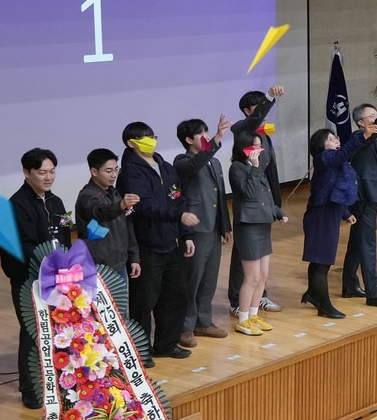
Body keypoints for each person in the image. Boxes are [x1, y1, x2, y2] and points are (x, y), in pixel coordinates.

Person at [119, 122, 198, 361]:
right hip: (148, 244)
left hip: (171, 241)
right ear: (131, 143)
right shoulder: (131, 172)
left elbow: (177, 199)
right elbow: (145, 206)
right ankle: (141, 350)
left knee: (175, 296)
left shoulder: (164, 165)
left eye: (153, 136)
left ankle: (166, 343)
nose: (151, 141)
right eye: (145, 138)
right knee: (144, 301)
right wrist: (177, 215)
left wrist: (185, 234)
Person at [2, 147, 70, 407]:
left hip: (57, 280)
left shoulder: (56, 201)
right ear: (26, 172)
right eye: (42, 172)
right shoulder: (17, 204)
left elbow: (64, 236)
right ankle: (30, 389)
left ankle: (58, 382)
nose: (48, 177)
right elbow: (25, 246)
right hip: (29, 280)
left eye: (52, 171)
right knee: (33, 333)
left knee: (58, 332)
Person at [302, 121, 375, 319]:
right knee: (322, 262)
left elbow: (334, 189)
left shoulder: (333, 161)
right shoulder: (324, 157)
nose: (337, 141)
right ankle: (325, 306)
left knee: (320, 260)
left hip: (330, 212)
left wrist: (345, 212)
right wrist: (363, 136)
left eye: (336, 138)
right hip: (321, 216)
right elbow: (344, 153)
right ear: (321, 145)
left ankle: (312, 293)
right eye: (331, 139)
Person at [227, 85, 285, 316]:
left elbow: (268, 170)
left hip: (264, 197)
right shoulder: (242, 129)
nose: (264, 110)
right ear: (246, 110)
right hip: (248, 205)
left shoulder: (263, 134)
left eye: (265, 103)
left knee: (259, 258)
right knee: (243, 256)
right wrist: (270, 97)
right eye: (258, 105)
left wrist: (275, 203)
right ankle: (236, 301)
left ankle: (257, 299)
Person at [174, 116, 232, 345]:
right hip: (195, 228)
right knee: (192, 278)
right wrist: (217, 139)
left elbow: (220, 195)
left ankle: (203, 321)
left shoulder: (214, 162)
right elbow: (196, 164)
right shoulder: (182, 161)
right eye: (202, 134)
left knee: (209, 278)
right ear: (189, 139)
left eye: (208, 132)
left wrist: (225, 226)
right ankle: (184, 326)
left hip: (214, 226)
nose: (206, 137)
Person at [340, 99, 377, 308]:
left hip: (368, 194)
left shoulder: (369, 141)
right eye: (371, 117)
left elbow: (368, 169)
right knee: (368, 245)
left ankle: (349, 284)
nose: (375, 120)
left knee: (357, 241)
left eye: (376, 116)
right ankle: (373, 293)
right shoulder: (359, 137)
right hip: (363, 197)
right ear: (360, 123)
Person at [74, 148, 140, 312]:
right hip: (98, 266)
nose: (113, 175)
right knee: (103, 314)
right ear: (94, 171)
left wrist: (134, 256)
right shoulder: (87, 196)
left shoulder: (114, 192)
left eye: (116, 170)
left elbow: (127, 226)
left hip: (119, 263)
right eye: (108, 171)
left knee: (121, 313)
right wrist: (121, 205)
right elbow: (102, 212)